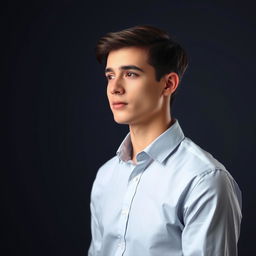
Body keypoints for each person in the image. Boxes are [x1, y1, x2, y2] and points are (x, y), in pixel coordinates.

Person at [88, 25, 242, 256]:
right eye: (110, 75)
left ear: (168, 84)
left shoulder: (203, 180)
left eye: (130, 74)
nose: (114, 88)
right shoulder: (106, 176)